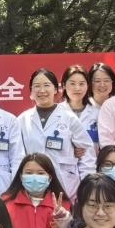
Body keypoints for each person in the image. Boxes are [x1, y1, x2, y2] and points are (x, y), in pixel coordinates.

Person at [18, 69, 95, 200]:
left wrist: (87, 184)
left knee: (64, 212)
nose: (42, 90)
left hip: (66, 185)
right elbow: (17, 156)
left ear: (55, 89)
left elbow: (87, 152)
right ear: (31, 91)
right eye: (37, 86)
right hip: (33, 185)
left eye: (46, 85)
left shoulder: (69, 118)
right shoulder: (22, 119)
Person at [1, 153, 71, 228]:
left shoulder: (64, 206)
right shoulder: (6, 204)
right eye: (29, 173)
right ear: (21, 176)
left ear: (50, 177)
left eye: (40, 173)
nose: (34, 178)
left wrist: (65, 222)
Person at [61, 65, 100, 147]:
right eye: (72, 83)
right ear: (64, 85)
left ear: (88, 86)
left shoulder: (97, 113)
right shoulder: (56, 112)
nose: (77, 88)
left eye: (81, 84)